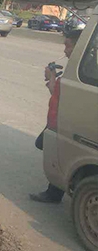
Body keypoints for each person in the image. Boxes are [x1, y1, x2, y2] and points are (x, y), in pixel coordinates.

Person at [30, 29, 83, 204]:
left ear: (78, 47)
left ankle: (54, 192)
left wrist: (51, 77)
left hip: (62, 121)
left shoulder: (79, 69)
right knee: (46, 144)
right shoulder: (79, 66)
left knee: (52, 149)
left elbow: (56, 91)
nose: (65, 50)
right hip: (58, 119)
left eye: (68, 46)